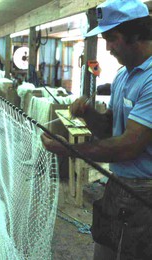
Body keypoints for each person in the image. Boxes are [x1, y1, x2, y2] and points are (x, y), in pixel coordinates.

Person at [41, 0, 152, 259]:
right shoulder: (124, 76)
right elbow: (110, 131)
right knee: (104, 250)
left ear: (136, 33)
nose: (108, 47)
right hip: (118, 185)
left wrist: (68, 149)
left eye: (112, 38)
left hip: (145, 193)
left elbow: (127, 146)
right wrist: (89, 115)